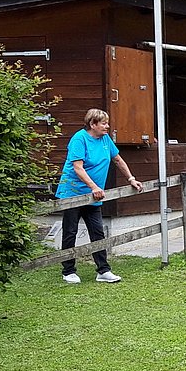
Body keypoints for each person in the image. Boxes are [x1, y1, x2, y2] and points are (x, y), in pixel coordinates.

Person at [56, 109, 143, 284]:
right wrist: (94, 187)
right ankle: (68, 271)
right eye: (103, 123)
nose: (107, 126)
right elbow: (78, 168)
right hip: (73, 192)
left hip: (94, 196)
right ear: (92, 124)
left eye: (107, 123)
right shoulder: (79, 139)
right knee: (70, 231)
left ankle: (103, 270)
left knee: (97, 232)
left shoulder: (105, 139)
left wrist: (131, 178)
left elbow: (117, 160)